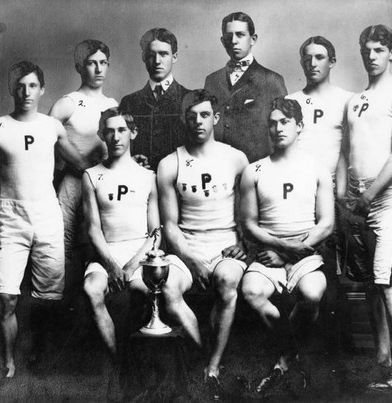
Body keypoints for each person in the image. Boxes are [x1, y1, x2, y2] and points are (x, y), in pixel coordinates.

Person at [0, 61, 87, 389]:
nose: (26, 92)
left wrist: (126, 159)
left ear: (42, 89)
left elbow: (80, 162)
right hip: (10, 218)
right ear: (12, 89)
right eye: (20, 86)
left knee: (49, 297)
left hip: (47, 216)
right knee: (8, 297)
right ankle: (9, 361)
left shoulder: (52, 127)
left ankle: (43, 357)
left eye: (32, 86)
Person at [338, 24, 392, 390]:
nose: (371, 57)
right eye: (366, 50)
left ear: (391, 52)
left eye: (378, 50)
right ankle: (382, 360)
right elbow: (344, 153)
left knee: (387, 284)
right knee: (371, 285)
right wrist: (343, 196)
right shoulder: (354, 100)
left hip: (385, 199)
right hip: (355, 200)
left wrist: (368, 197)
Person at [157, 89, 248, 399]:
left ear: (216, 118)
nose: (198, 121)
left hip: (226, 246)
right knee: (168, 290)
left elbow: (248, 213)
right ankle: (201, 355)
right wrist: (192, 261)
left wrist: (244, 243)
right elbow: (170, 225)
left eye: (205, 115)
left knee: (225, 280)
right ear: (185, 119)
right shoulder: (170, 163)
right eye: (192, 115)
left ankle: (213, 366)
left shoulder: (236, 159)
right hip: (187, 248)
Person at [240, 98, 334, 393]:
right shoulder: (254, 170)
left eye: (285, 122)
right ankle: (293, 353)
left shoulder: (317, 168)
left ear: (299, 126)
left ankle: (282, 360)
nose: (278, 128)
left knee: (312, 292)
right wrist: (279, 248)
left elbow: (327, 223)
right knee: (251, 291)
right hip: (268, 254)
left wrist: (287, 252)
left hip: (305, 254)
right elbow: (250, 224)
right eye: (273, 122)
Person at [81, 107, 161, 396]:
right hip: (106, 253)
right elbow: (93, 229)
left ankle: (141, 366)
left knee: (142, 290)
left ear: (133, 133)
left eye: (122, 130)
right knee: (92, 290)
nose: (116, 136)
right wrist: (112, 266)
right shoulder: (91, 176)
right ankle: (121, 366)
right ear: (102, 135)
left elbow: (156, 232)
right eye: (110, 131)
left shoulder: (147, 176)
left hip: (139, 253)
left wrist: (131, 265)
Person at [286, 36, 354, 351]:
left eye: (320, 57)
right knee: (308, 264)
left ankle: (337, 347)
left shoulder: (347, 100)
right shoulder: (291, 100)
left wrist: (340, 193)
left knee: (334, 268)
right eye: (308, 57)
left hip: (335, 194)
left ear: (332, 61)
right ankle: (306, 345)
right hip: (299, 196)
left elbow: (348, 152)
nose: (313, 64)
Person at [49, 39, 118, 298]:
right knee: (64, 247)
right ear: (80, 67)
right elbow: (46, 138)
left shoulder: (112, 103)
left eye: (103, 63)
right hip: (72, 186)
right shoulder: (68, 102)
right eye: (92, 63)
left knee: (98, 246)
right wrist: (75, 162)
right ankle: (63, 313)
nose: (98, 69)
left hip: (102, 186)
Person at [204, 11, 288, 162]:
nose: (234, 41)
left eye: (240, 35)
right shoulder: (212, 80)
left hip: (257, 167)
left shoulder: (272, 80)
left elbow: (284, 129)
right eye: (229, 37)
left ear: (253, 39)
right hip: (219, 167)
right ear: (223, 41)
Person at [120, 28, 190, 171]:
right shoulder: (129, 102)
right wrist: (129, 161)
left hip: (178, 183)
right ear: (144, 57)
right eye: (151, 55)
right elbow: (121, 148)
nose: (157, 61)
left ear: (174, 57)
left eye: (163, 54)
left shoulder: (189, 99)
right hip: (139, 183)